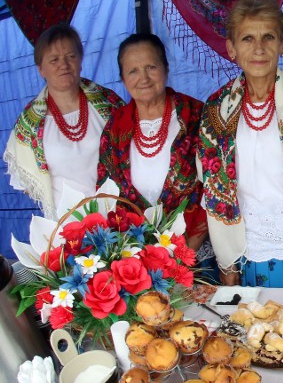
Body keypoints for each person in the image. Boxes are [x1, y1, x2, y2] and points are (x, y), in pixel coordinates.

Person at [198, 0, 283, 287]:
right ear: (231, 48)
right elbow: (213, 190)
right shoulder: (216, 109)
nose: (258, 48)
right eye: (247, 38)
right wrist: (227, 262)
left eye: (268, 37)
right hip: (247, 256)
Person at [97, 33, 207, 250]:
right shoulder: (114, 128)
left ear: (166, 68)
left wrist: (183, 254)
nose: (144, 78)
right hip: (137, 256)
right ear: (123, 78)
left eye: (151, 67)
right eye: (133, 71)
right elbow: (105, 194)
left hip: (196, 251)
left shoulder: (195, 115)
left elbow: (214, 188)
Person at [4, 24, 123, 219]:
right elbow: (25, 181)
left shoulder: (109, 104)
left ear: (81, 61)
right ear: (41, 69)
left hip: (117, 219)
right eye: (54, 60)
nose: (64, 65)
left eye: (71, 56)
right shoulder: (29, 123)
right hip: (65, 228)